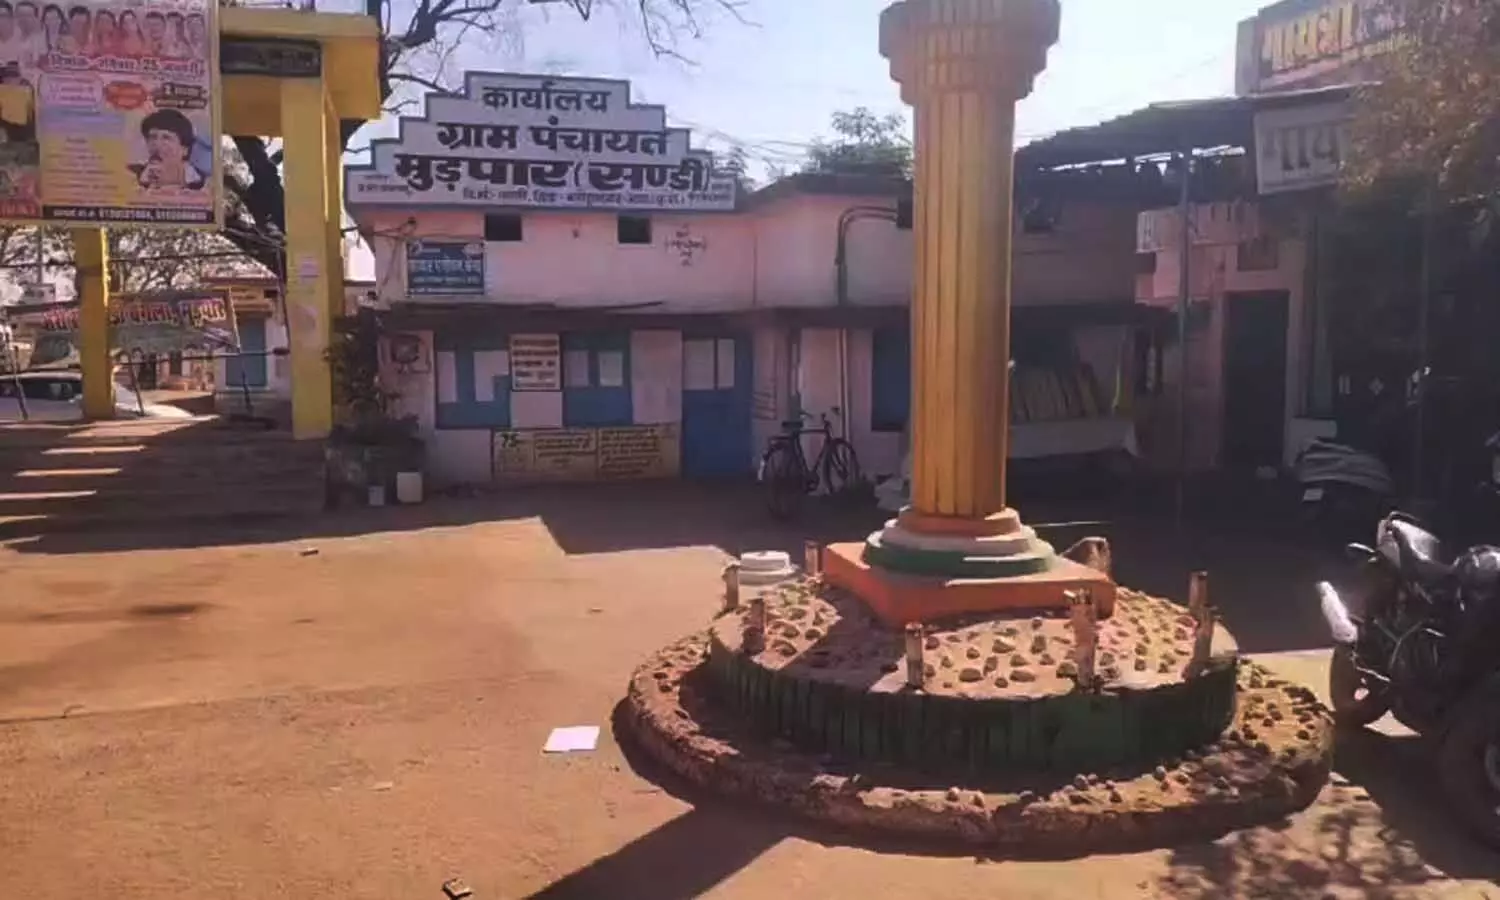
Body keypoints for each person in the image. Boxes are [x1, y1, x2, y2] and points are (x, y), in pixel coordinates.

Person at [130, 108, 205, 191]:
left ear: (184, 149)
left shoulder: (206, 183)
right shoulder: (129, 176)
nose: (157, 144)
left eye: (166, 138)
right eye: (153, 137)